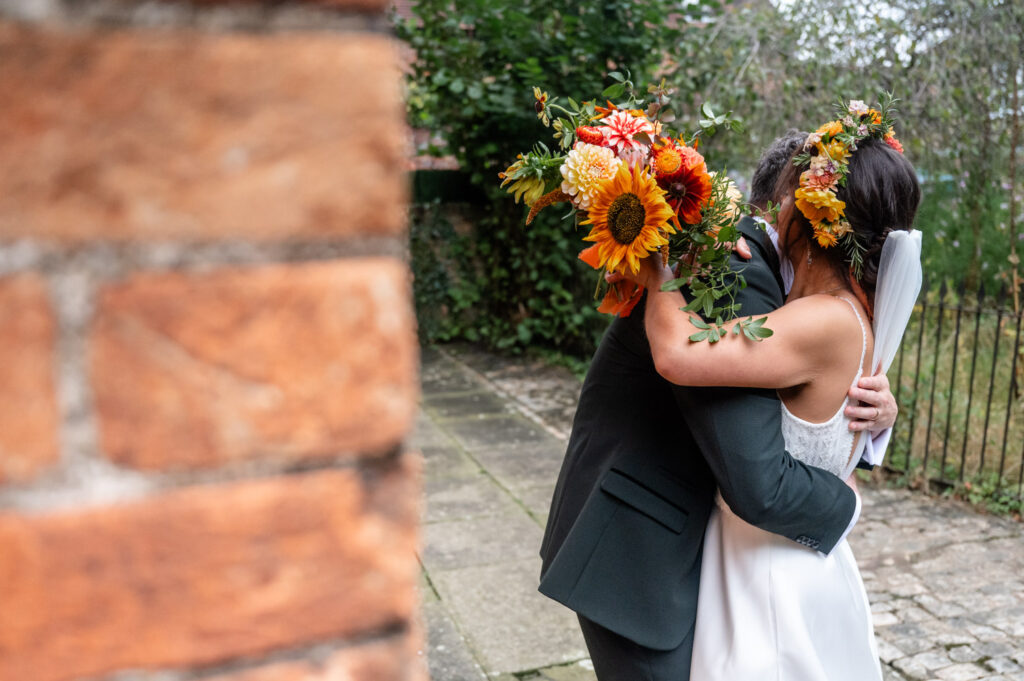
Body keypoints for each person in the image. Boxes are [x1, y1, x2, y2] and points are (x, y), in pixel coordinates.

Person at [538, 129, 901, 679]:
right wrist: (844, 505)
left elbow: (809, 396)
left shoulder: (811, 296)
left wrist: (876, 419)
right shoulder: (734, 264)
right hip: (640, 540)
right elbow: (756, 477)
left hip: (713, 552)